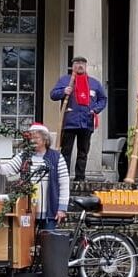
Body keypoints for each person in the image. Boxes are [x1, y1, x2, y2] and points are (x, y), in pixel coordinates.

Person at [0, 122, 70, 229]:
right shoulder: (24, 156)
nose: (33, 141)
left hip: (50, 211)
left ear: (45, 140)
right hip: (27, 210)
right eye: (31, 138)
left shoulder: (57, 157)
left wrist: (62, 208)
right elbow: (8, 169)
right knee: (26, 239)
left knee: (48, 238)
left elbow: (64, 183)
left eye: (36, 138)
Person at [49, 55, 107, 188]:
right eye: (77, 63)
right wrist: (64, 91)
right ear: (73, 66)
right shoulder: (65, 80)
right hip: (69, 121)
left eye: (82, 63)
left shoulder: (94, 83)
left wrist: (95, 109)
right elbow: (53, 95)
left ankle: (80, 177)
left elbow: (103, 99)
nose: (80, 65)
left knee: (83, 151)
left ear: (85, 66)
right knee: (66, 151)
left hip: (86, 121)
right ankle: (64, 177)